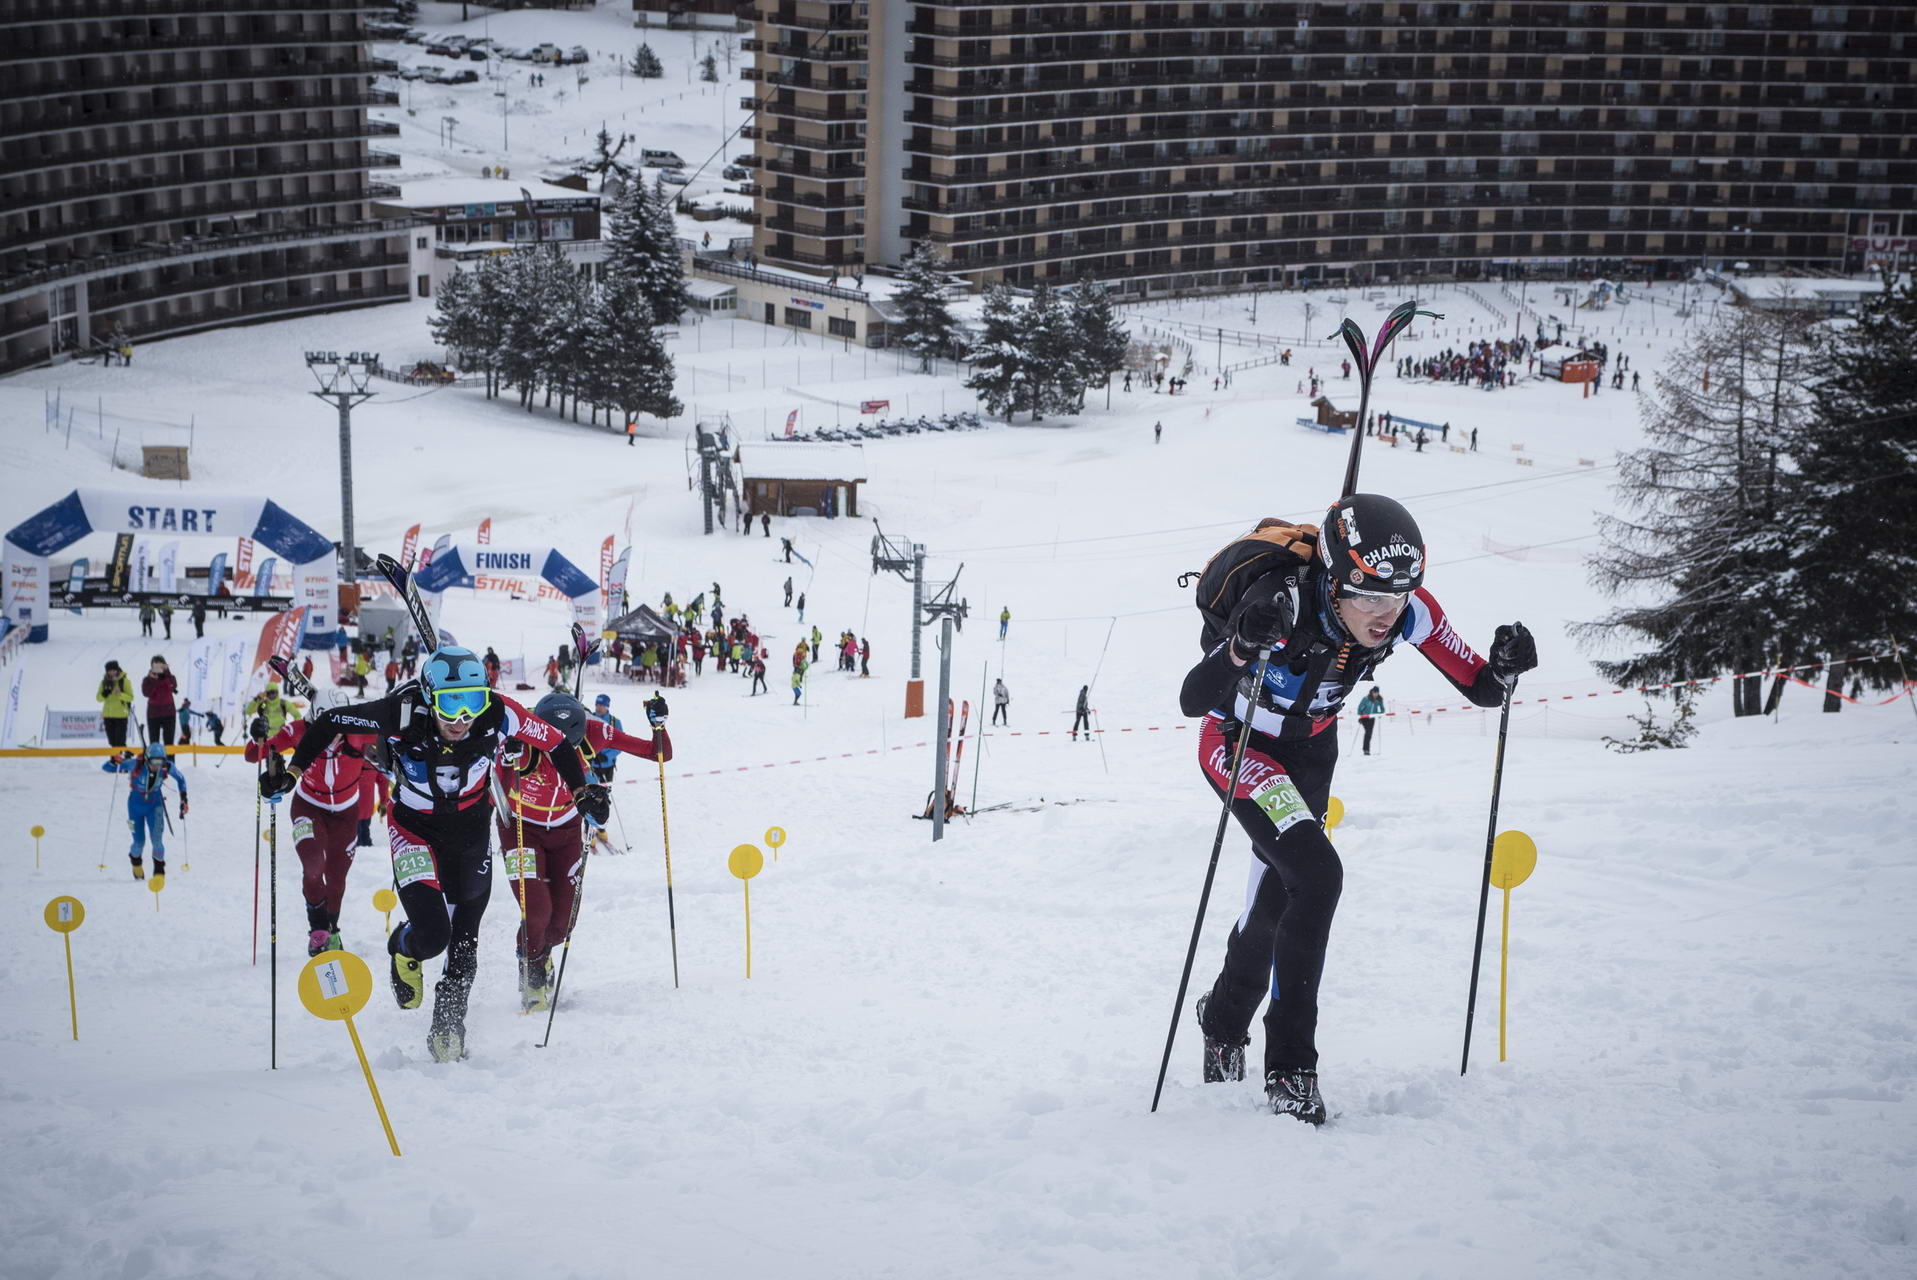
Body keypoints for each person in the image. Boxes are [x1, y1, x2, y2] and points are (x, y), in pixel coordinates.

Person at [1178, 493, 1537, 1123]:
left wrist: (1505, 668)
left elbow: (1480, 686)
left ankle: (1223, 1018)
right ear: (1336, 584)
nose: (1384, 612)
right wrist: (1240, 645)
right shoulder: (1282, 602)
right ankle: (1290, 1070)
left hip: (1312, 754)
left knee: (1276, 904)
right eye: (1368, 596)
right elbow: (1191, 698)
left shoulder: (1407, 611)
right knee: (1318, 878)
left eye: (1397, 595)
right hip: (1238, 745)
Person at [270, 646, 607, 1063]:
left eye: (473, 702)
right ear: (430, 696)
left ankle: (448, 1026)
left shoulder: (500, 713)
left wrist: (581, 791)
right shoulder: (401, 711)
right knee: (433, 935)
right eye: (451, 703)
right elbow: (329, 722)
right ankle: (404, 947)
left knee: (466, 939)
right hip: (414, 829)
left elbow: (556, 743)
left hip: (470, 831)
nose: (462, 718)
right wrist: (291, 773)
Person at [496, 691, 670, 1010]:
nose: (561, 755)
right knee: (536, 911)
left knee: (562, 923)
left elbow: (658, 754)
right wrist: (507, 758)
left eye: (569, 748)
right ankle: (531, 973)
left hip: (565, 830)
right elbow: (496, 787)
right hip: (522, 829)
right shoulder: (522, 736)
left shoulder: (594, 732)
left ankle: (541, 955)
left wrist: (658, 726)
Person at [247, 705, 381, 956]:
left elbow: (398, 738)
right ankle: (318, 931)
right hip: (309, 807)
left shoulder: (357, 733)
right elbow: (255, 754)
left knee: (336, 877)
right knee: (313, 866)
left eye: (336, 730)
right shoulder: (299, 731)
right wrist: (257, 737)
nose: (329, 735)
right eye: (321, 728)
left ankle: (332, 928)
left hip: (345, 814)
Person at [102, 743, 188, 884]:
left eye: (160, 762)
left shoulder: (167, 766)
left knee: (157, 841)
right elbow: (107, 768)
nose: (157, 766)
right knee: (138, 843)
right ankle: (136, 862)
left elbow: (180, 778)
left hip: (155, 806)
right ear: (147, 759)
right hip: (135, 807)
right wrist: (113, 761)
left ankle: (159, 872)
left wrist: (184, 799)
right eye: (154, 762)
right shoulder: (134, 764)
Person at [97, 660, 134, 747]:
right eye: (110, 671)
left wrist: (120, 694)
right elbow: (98, 698)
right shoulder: (104, 682)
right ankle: (115, 759)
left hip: (121, 716)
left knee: (120, 743)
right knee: (112, 743)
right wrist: (104, 693)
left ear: (117, 670)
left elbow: (131, 697)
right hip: (108, 716)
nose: (112, 672)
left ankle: (122, 759)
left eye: (114, 670)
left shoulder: (124, 681)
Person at [143, 655, 179, 745]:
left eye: (160, 665)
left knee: (169, 743)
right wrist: (153, 680)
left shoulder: (170, 677)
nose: (158, 668)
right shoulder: (147, 680)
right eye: (156, 665)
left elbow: (172, 687)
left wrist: (167, 673)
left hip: (169, 713)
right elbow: (147, 693)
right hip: (153, 713)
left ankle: (170, 759)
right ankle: (155, 758)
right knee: (154, 743)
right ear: (152, 666)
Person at [1356, 686, 1385, 756]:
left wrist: (1379, 713)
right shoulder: (1366, 699)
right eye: (1374, 692)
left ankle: (1366, 749)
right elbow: (1360, 707)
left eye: (1377, 693)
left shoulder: (1379, 699)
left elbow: (1382, 709)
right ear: (1372, 692)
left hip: (1372, 718)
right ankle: (1366, 750)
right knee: (1368, 732)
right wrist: (1360, 715)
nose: (1375, 694)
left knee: (1369, 734)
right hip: (1364, 718)